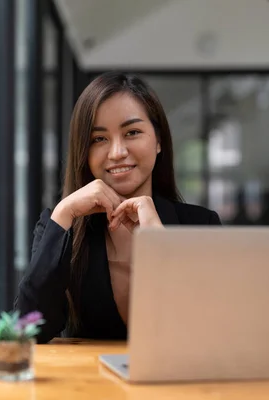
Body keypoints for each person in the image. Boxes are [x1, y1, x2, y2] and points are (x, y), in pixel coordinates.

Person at [14, 71, 222, 344]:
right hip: (87, 385)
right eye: (99, 139)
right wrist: (64, 212)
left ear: (158, 141)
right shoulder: (60, 226)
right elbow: (28, 332)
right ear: (83, 151)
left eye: (132, 132)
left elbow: (210, 334)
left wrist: (161, 244)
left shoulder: (201, 226)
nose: (117, 152)